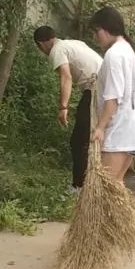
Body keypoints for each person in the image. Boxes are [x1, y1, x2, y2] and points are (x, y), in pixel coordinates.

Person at [33, 25, 103, 191]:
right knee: (91, 137)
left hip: (96, 89)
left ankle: (79, 186)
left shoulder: (57, 50)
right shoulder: (74, 43)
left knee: (78, 141)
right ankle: (92, 182)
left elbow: (66, 76)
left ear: (41, 44)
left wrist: (63, 107)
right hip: (106, 88)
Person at [89, 6, 135, 182]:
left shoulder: (114, 55)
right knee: (115, 187)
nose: (95, 37)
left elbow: (113, 99)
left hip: (120, 132)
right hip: (132, 129)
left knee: (106, 188)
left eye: (97, 31)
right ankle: (123, 212)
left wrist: (100, 128)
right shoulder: (126, 49)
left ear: (108, 28)